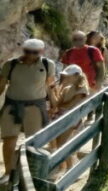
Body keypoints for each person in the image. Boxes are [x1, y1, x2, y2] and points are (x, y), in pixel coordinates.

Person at [0, 39, 57, 173]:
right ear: (23, 50)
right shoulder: (10, 64)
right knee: (9, 140)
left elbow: (51, 86)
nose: (30, 55)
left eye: (34, 52)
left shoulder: (47, 64)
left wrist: (54, 104)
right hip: (12, 105)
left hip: (35, 107)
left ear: (41, 51)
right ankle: (9, 172)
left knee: (34, 142)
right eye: (27, 51)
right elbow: (1, 85)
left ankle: (31, 174)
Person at [50, 65, 90, 172]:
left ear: (77, 76)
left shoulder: (82, 89)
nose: (66, 78)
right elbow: (56, 104)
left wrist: (59, 103)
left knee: (62, 145)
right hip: (62, 118)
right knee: (60, 144)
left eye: (69, 76)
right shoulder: (67, 88)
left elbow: (71, 105)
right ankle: (64, 167)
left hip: (71, 119)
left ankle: (70, 168)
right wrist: (51, 91)